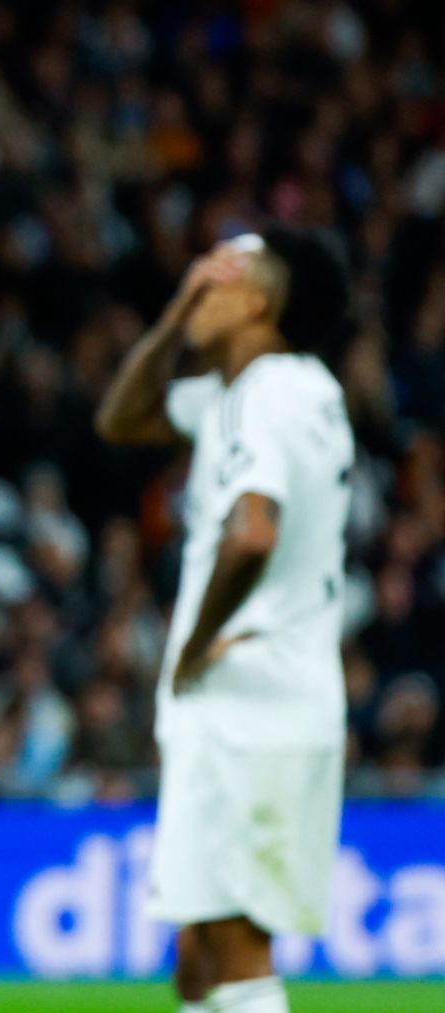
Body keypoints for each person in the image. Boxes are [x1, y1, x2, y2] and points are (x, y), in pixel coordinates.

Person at [96, 226, 353, 1013]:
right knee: (199, 956)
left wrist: (194, 644)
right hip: (271, 697)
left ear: (255, 300)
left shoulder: (266, 393)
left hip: (247, 698)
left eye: (210, 284)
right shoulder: (263, 394)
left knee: (238, 951)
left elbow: (252, 531)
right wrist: (175, 319)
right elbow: (120, 418)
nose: (195, 292)